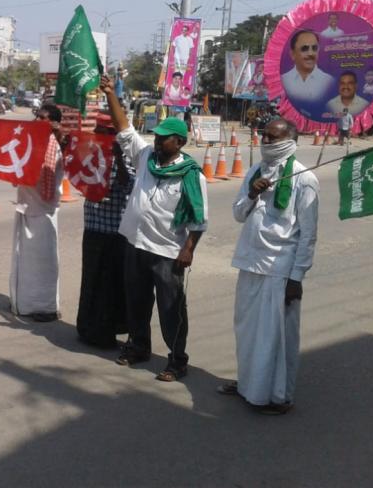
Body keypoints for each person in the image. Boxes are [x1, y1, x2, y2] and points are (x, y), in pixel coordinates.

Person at [99, 74, 208, 382]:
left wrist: (188, 249)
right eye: (157, 137)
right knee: (136, 301)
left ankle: (177, 360)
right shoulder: (146, 156)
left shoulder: (191, 174)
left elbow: (199, 219)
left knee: (171, 308)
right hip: (135, 243)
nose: (158, 141)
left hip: (167, 251)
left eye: (164, 138)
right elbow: (125, 129)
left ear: (180, 142)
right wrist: (110, 94)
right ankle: (138, 346)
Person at [218, 118, 318, 415]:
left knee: (276, 336)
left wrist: (296, 277)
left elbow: (308, 234)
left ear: (289, 141)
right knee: (247, 329)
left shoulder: (303, 178)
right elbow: (238, 215)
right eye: (264, 136)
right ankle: (249, 384)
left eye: (272, 137)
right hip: (250, 260)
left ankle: (277, 396)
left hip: (280, 267)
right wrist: (252, 193)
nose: (265, 142)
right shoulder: (255, 170)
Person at [77, 117, 136, 348]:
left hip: (115, 230)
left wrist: (118, 157)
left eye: (106, 131)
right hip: (93, 226)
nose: (101, 135)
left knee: (111, 284)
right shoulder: (90, 152)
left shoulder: (129, 155)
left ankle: (108, 331)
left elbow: (128, 184)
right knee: (91, 280)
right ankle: (87, 327)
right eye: (98, 130)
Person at [8, 104, 66, 321]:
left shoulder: (53, 148)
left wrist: (58, 136)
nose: (37, 121)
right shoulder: (31, 142)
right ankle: (24, 303)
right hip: (25, 207)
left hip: (44, 213)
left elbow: (45, 180)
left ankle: (47, 307)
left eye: (43, 118)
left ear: (52, 123)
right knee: (23, 259)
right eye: (37, 117)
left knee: (44, 263)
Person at [281, 30, 336, 113]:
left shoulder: (329, 81)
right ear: (292, 54)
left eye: (314, 48)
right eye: (304, 49)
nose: (311, 53)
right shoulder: (283, 81)